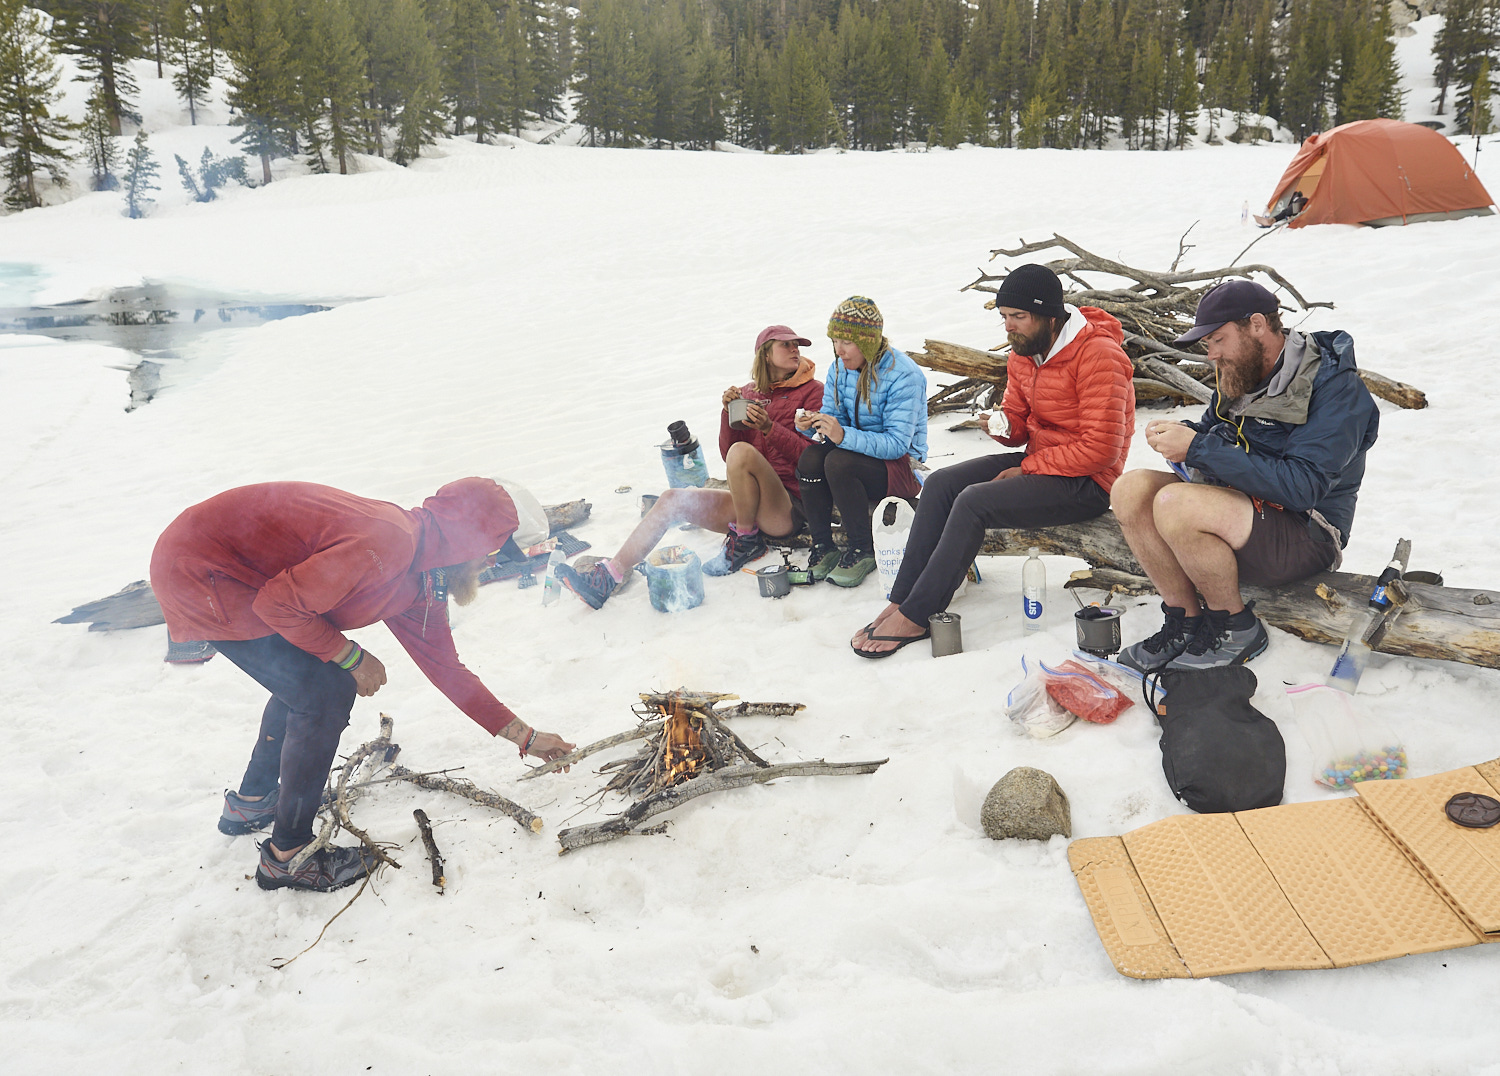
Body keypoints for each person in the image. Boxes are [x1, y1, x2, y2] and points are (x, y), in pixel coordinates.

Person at [150, 478, 576, 892]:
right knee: (324, 689)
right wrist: (352, 657)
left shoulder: (421, 580)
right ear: (466, 538)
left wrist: (527, 737)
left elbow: (448, 670)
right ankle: (289, 857)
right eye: (493, 550)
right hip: (200, 570)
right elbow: (278, 606)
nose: (491, 563)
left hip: (231, 573)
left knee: (307, 681)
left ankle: (253, 803)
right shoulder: (388, 542)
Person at [851, 264, 1135, 657]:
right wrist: (1004, 426)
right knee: (941, 483)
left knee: (973, 502)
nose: (1009, 327)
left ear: (1050, 316)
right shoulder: (1024, 353)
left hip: (1090, 482)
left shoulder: (1099, 356)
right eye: (1004, 317)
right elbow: (1019, 424)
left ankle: (918, 615)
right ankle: (903, 598)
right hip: (1044, 461)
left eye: (1018, 317)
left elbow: (1100, 449)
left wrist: (1028, 467)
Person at [1112, 280, 1379, 672]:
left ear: (1257, 325)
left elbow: (1302, 487)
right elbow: (1214, 436)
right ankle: (1185, 622)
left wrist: (1199, 448)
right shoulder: (1242, 371)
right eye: (1208, 345)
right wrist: (1183, 435)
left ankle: (1235, 627)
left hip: (1307, 532)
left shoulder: (1335, 388)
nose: (1212, 355)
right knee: (1130, 489)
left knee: (1176, 504)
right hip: (1244, 512)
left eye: (1218, 340)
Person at [555, 325, 825, 609]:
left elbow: (812, 459)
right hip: (748, 503)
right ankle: (608, 577)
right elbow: (728, 455)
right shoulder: (748, 393)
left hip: (786, 507)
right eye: (787, 345)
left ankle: (745, 540)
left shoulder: (813, 392)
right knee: (672, 499)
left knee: (742, 452)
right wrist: (727, 413)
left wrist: (769, 428)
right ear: (765, 355)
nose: (796, 350)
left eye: (798, 345)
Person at [793, 296, 928, 588]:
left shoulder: (903, 375)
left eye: (847, 342)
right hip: (857, 460)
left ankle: (862, 548)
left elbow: (897, 445)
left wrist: (843, 436)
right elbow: (833, 419)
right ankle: (823, 545)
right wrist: (813, 426)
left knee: (838, 461)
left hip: (903, 469)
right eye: (835, 340)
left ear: (868, 341)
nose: (839, 350)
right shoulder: (839, 368)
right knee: (811, 459)